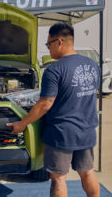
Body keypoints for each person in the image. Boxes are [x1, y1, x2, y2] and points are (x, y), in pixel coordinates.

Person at [6, 22, 100, 197]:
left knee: (59, 178)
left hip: (61, 133)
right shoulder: (93, 65)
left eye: (48, 44)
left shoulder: (55, 70)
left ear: (59, 42)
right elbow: (91, 93)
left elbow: (45, 104)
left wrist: (22, 123)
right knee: (87, 172)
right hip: (87, 131)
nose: (48, 49)